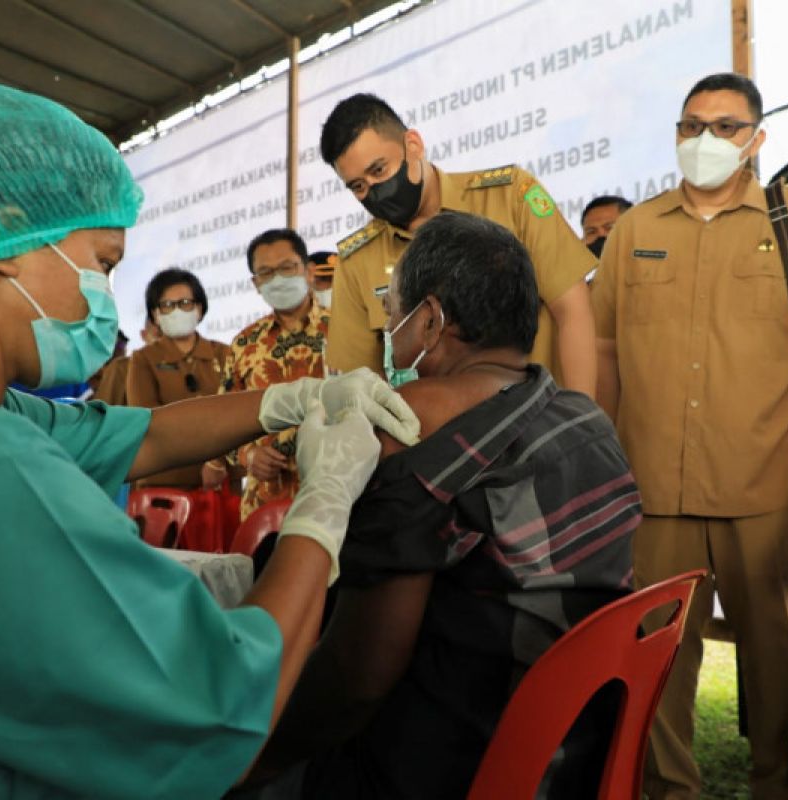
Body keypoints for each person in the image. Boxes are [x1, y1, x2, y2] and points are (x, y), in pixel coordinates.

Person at [0, 72, 420, 798]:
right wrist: (323, 507)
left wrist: (292, 398)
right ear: (1, 240)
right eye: (102, 264)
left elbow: (138, 438)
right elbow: (217, 710)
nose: (103, 295)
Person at [247, 211, 642, 799]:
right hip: (569, 752)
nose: (387, 335)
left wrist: (252, 760)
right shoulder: (583, 418)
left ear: (428, 321)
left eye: (391, 315)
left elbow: (357, 677)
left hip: (451, 765)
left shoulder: (408, 436)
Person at [592, 72, 788, 799]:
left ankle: (785, 789)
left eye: (726, 126)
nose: (706, 140)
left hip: (770, 486)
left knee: (775, 667)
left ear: (757, 139)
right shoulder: (636, 229)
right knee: (657, 670)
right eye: (691, 125)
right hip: (652, 489)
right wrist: (599, 469)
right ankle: (670, 791)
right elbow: (606, 353)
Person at [319, 93, 598, 397]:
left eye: (379, 171)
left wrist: (580, 418)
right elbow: (357, 384)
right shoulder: (357, 262)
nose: (374, 191)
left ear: (412, 145)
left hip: (536, 424)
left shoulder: (510, 197)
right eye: (358, 186)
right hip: (436, 437)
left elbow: (572, 311)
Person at [202, 229, 329, 519]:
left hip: (338, 499)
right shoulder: (245, 344)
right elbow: (224, 422)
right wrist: (249, 456)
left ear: (308, 271)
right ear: (256, 283)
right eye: (266, 272)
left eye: (287, 268)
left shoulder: (345, 329)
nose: (278, 279)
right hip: (265, 508)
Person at [128, 268, 232, 489]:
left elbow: (237, 413)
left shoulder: (224, 354)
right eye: (167, 305)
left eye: (185, 303)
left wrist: (216, 462)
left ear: (199, 308)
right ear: (155, 315)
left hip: (221, 482)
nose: (176, 311)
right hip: (165, 483)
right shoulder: (143, 359)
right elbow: (147, 419)